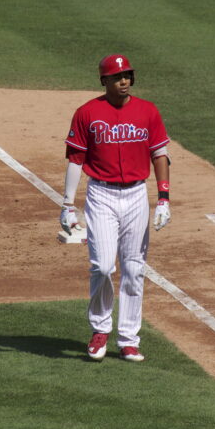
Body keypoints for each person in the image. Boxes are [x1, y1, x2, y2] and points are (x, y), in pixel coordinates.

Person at [60, 54, 172, 362]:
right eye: (117, 76)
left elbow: (160, 154)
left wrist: (163, 199)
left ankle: (128, 339)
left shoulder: (148, 111)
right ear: (104, 81)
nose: (124, 80)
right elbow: (75, 159)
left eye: (128, 75)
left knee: (134, 271)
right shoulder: (87, 113)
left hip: (137, 195)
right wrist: (68, 205)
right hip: (102, 196)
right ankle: (100, 329)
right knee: (103, 266)